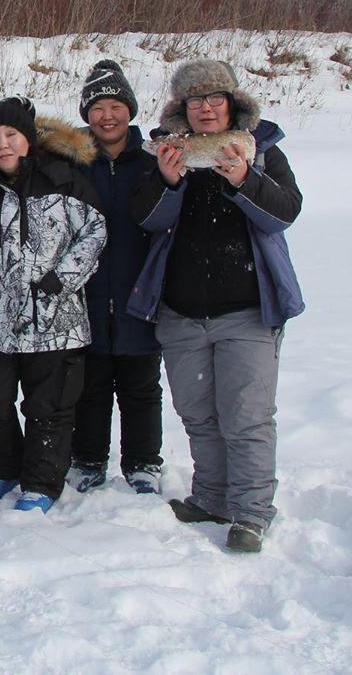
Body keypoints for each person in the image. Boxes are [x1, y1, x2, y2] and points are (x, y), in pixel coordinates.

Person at [129, 60, 303, 553]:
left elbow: (283, 215)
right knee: (198, 413)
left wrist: (244, 179)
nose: (206, 109)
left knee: (245, 416)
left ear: (232, 105)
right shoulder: (168, 149)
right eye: (195, 101)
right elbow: (147, 220)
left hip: (247, 312)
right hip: (181, 312)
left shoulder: (262, 151)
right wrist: (167, 180)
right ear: (183, 110)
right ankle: (210, 497)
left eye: (215, 99)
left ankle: (251, 513)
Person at [0, 96, 106, 514]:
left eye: (11, 135)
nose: (2, 144)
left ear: (28, 140)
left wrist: (60, 281)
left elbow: (94, 234)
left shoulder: (64, 179)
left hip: (54, 319)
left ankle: (40, 484)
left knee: (49, 407)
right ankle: (5, 468)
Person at [68, 61, 164, 495]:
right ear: (86, 114)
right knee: (90, 384)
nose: (107, 116)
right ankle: (88, 458)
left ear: (130, 110)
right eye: (98, 107)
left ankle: (143, 461)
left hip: (138, 290)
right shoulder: (72, 162)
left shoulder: (152, 161)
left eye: (116, 106)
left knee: (141, 384)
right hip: (85, 292)